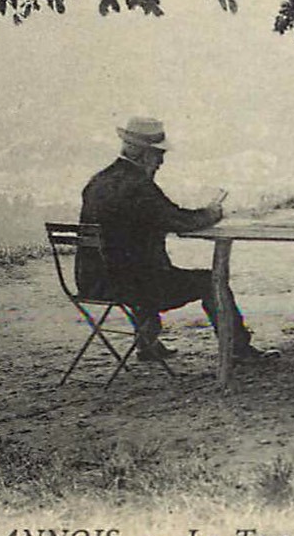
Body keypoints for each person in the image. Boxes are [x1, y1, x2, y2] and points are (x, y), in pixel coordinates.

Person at [78, 116, 273, 363]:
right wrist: (212, 213)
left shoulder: (98, 182)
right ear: (142, 154)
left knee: (139, 264)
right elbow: (179, 220)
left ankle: (147, 345)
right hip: (128, 285)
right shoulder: (138, 186)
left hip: (93, 282)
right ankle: (238, 349)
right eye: (158, 154)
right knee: (210, 281)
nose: (160, 161)